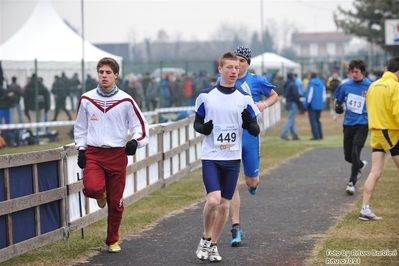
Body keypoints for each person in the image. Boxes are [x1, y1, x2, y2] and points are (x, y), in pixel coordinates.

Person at [74, 57, 149, 252]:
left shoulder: (125, 100)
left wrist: (135, 142)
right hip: (94, 154)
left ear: (116, 75)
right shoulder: (87, 99)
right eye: (101, 72)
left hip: (117, 155)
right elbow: (80, 127)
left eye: (108, 72)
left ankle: (112, 240)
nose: (104, 76)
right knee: (91, 189)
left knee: (116, 203)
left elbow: (140, 126)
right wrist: (81, 149)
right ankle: (101, 193)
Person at [194, 51, 260, 262]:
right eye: (229, 67)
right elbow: (197, 123)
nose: (234, 71)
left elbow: (255, 129)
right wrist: (204, 129)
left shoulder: (244, 98)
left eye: (236, 67)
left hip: (232, 159)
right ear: (220, 69)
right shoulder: (206, 96)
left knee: (224, 205)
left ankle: (213, 245)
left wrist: (249, 123)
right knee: (213, 200)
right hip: (211, 157)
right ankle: (205, 237)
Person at [224, 46, 278, 247]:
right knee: (231, 182)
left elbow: (274, 95)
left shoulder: (256, 81)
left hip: (249, 135)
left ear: (247, 63)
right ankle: (236, 227)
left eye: (241, 61)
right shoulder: (226, 80)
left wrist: (262, 105)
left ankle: (253, 182)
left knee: (251, 181)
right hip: (229, 136)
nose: (237, 65)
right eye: (235, 61)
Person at [359, 57, 399, 221]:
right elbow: (397, 112)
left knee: (376, 171)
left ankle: (365, 209)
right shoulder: (395, 86)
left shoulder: (373, 85)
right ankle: (365, 209)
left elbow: (368, 106)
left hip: (375, 131)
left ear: (386, 68)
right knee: (377, 171)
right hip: (390, 131)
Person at [333, 59, 371, 195]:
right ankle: (360, 165)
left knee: (355, 152)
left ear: (362, 72)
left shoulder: (370, 86)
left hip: (363, 123)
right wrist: (337, 108)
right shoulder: (345, 86)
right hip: (348, 123)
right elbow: (337, 100)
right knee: (348, 156)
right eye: (352, 71)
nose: (353, 74)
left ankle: (351, 183)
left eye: (356, 72)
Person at [304, 72, 326, 140]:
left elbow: (309, 96)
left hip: (312, 105)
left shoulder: (311, 84)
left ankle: (315, 135)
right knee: (318, 120)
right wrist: (322, 104)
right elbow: (324, 96)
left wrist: (306, 105)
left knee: (313, 121)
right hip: (319, 105)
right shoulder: (322, 84)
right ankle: (320, 135)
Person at [281, 73, 302, 140]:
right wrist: (299, 103)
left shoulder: (286, 85)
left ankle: (294, 134)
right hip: (293, 103)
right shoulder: (293, 85)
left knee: (291, 119)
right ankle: (284, 134)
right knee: (290, 120)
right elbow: (296, 95)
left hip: (288, 103)